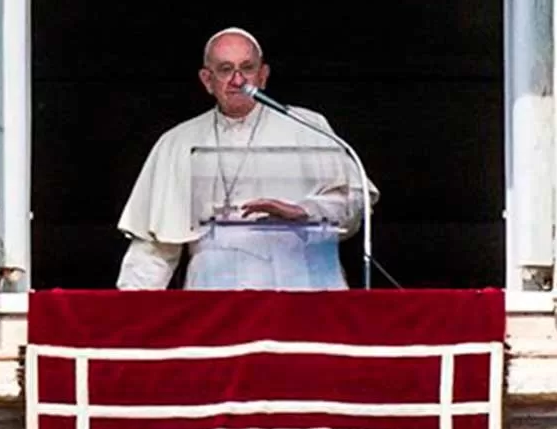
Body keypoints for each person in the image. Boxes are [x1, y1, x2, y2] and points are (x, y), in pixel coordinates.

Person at [114, 26, 379, 290]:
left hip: (303, 288)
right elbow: (154, 248)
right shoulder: (177, 142)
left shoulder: (308, 127)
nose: (238, 80)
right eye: (225, 69)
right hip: (214, 293)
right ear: (207, 80)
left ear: (263, 76)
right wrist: (131, 304)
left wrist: (305, 211)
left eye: (247, 68)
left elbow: (355, 202)